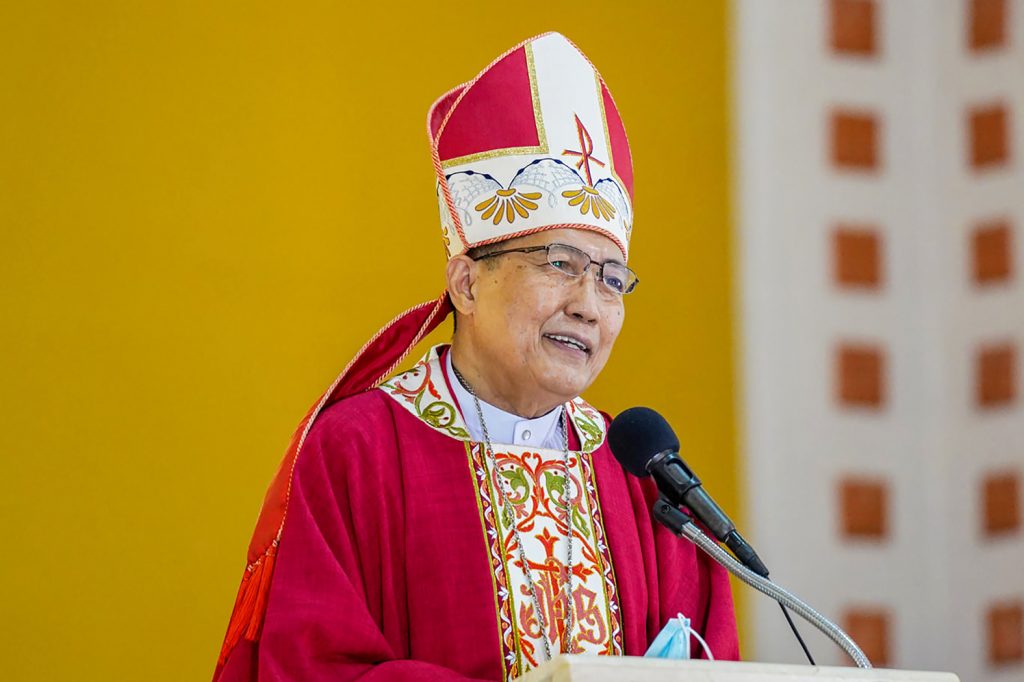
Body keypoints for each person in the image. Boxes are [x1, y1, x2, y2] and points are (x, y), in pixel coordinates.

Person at [213, 31, 739, 682]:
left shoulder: (646, 482)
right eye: (560, 264)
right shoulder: (358, 452)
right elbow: (315, 667)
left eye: (611, 278)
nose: (588, 304)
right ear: (466, 283)